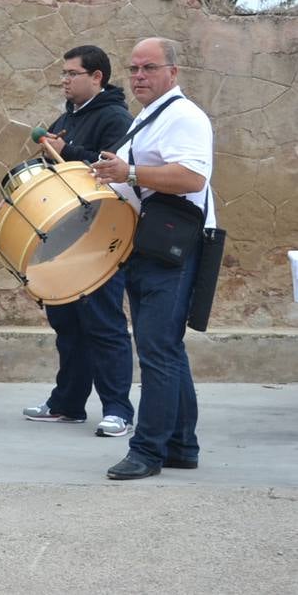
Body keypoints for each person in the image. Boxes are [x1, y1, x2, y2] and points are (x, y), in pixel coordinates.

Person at [92, 38, 214, 481]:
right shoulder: (148, 118)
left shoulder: (184, 117)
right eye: (134, 68)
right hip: (151, 245)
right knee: (166, 348)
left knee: (158, 350)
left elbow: (192, 176)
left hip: (173, 246)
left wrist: (131, 173)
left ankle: (147, 450)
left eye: (149, 68)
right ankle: (182, 445)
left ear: (173, 73)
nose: (139, 75)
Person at [23, 46, 136, 437]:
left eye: (72, 74)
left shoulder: (115, 117)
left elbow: (110, 168)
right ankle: (68, 404)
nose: (64, 80)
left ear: (97, 78)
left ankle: (118, 409)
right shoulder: (68, 116)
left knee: (103, 324)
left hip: (101, 236)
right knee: (67, 322)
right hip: (68, 234)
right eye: (64, 74)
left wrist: (64, 150)